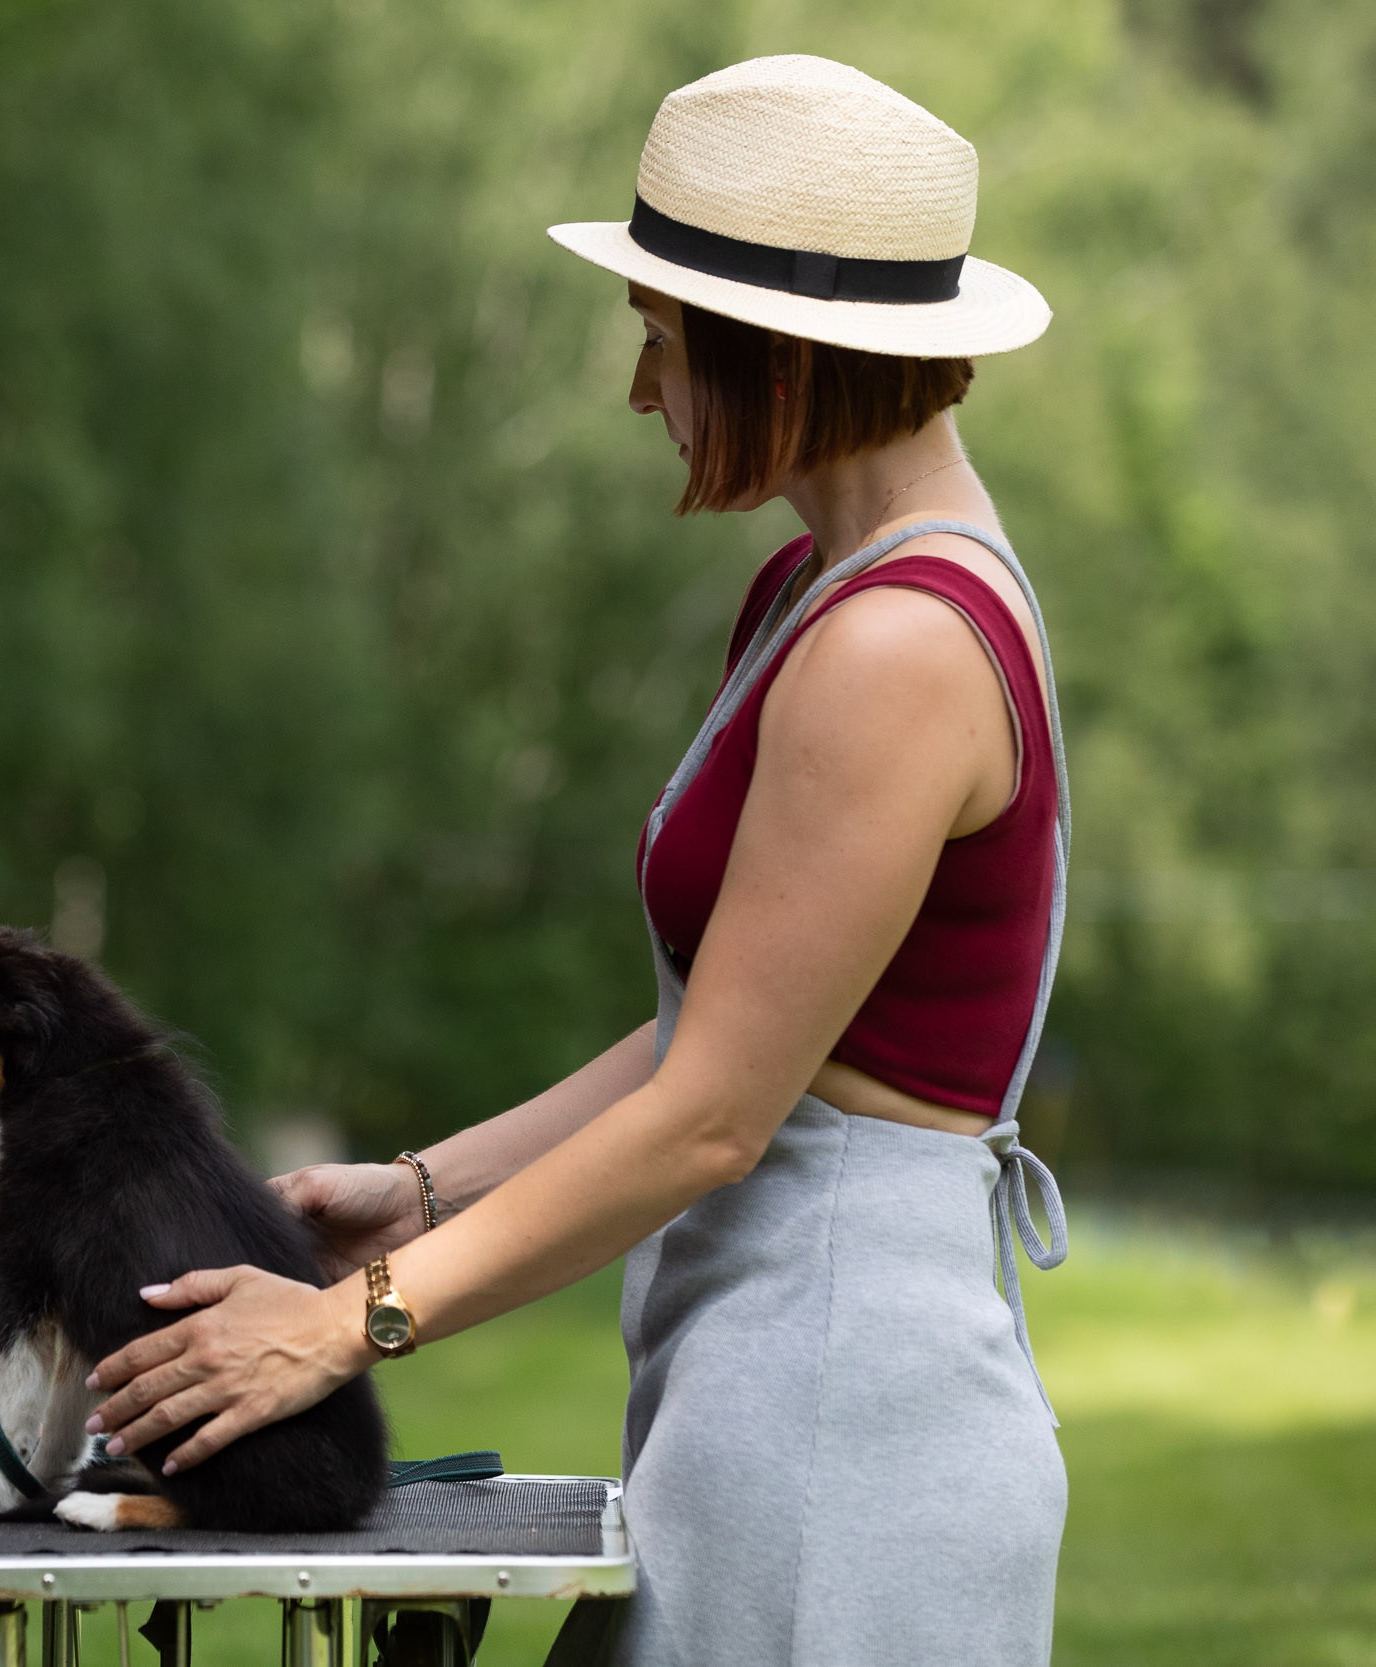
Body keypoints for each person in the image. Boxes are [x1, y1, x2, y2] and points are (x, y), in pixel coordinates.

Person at [78, 56, 1072, 1667]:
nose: (639, 393)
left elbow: (712, 1115)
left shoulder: (897, 645)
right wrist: (410, 1194)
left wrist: (343, 1328)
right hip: (777, 1367)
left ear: (787, 355)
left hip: (847, 1411)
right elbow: (723, 1025)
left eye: (665, 346)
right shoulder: (819, 597)